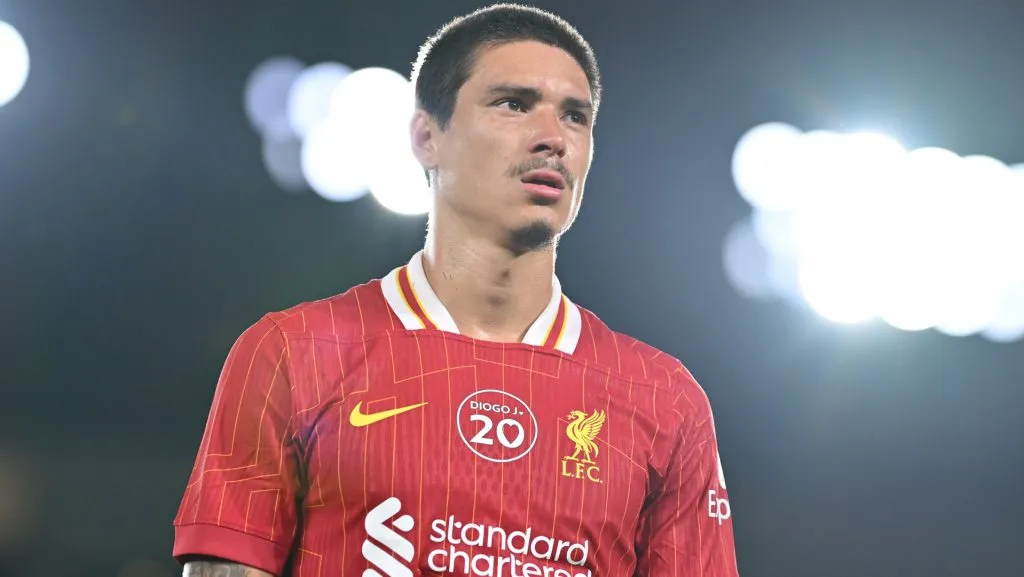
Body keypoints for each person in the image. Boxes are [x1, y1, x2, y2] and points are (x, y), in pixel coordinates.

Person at [172, 3, 739, 576]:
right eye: (513, 104)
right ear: (426, 136)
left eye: (575, 116)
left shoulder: (665, 399)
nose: (553, 138)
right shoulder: (292, 353)